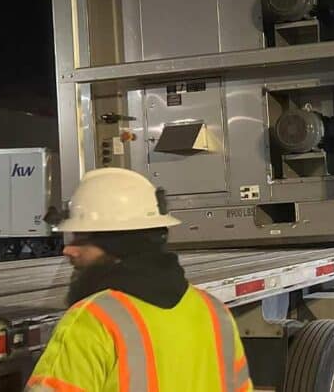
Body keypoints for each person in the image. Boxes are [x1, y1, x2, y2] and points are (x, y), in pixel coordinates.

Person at [26, 168, 252, 392]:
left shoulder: (93, 320)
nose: (68, 250)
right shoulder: (215, 313)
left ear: (119, 246)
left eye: (81, 239)